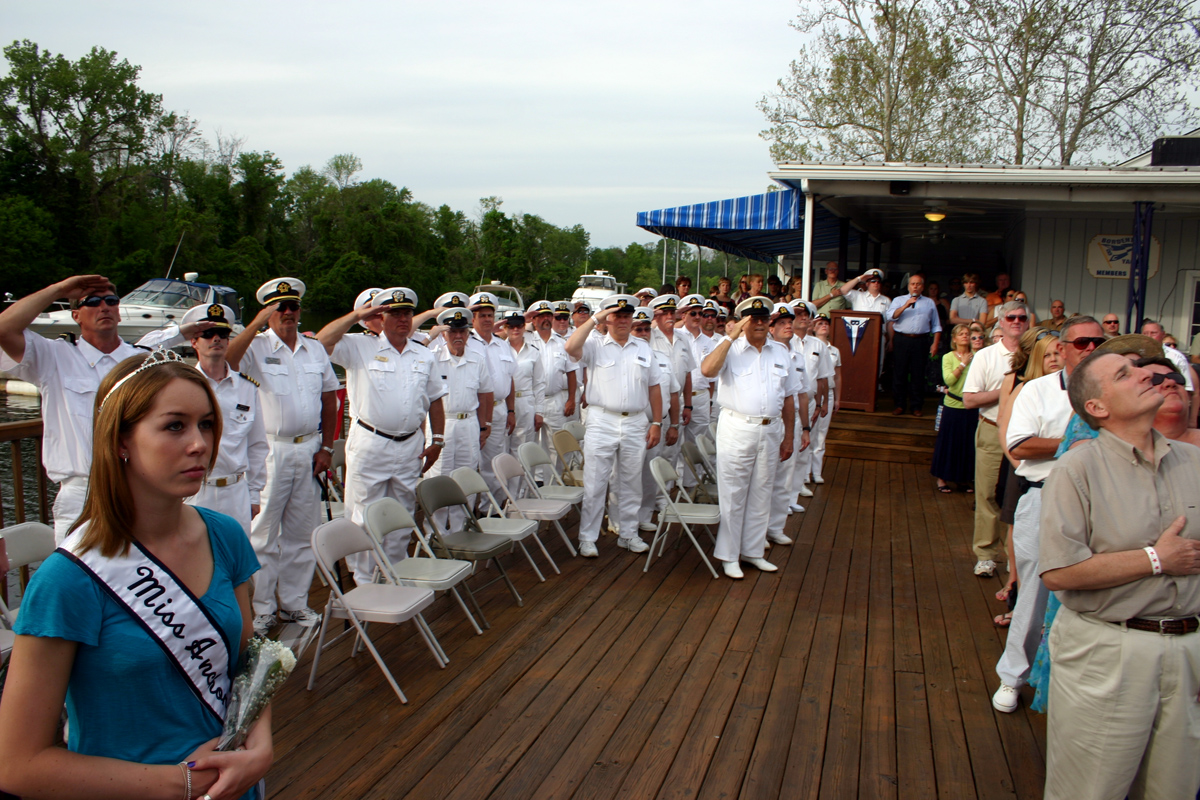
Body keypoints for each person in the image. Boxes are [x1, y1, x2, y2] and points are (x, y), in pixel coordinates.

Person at [0, 351, 272, 800]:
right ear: (121, 441)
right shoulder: (67, 580)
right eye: (175, 426)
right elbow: (17, 765)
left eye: (206, 424)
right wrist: (183, 783)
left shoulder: (225, 536)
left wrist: (259, 749)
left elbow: (249, 662)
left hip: (236, 786)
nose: (200, 444)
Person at [1038, 351, 1200, 800]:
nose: (1148, 374)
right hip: (1109, 652)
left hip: (1188, 650)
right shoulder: (1077, 469)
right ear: (1097, 407)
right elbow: (1058, 571)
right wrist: (1155, 559)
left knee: (1175, 790)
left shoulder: (1194, 462)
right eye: (1125, 374)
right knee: (1090, 790)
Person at [992, 316, 1099, 714]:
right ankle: (1012, 676)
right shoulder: (1037, 389)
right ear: (1064, 348)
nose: (1091, 348)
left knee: (1092, 589)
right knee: (1035, 589)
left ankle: (1072, 679)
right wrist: (1077, 444)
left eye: (1099, 341)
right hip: (1046, 494)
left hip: (1101, 500)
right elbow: (1020, 445)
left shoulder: (1114, 390)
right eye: (1082, 342)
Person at [225, 277, 338, 636]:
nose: (288, 313)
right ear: (268, 312)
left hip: (310, 448)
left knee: (302, 532)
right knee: (262, 534)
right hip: (270, 450)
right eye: (280, 308)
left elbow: (330, 398)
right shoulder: (256, 347)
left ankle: (294, 603)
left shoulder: (314, 349)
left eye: (293, 307)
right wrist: (256, 324)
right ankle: (262, 609)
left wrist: (327, 447)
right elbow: (226, 361)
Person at [315, 287, 447, 586]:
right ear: (380, 318)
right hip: (370, 443)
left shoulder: (423, 354)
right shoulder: (359, 346)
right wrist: (357, 315)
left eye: (407, 313)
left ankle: (395, 571)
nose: (403, 319)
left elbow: (435, 398)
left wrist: (438, 440)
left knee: (402, 513)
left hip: (410, 444)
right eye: (394, 313)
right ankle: (364, 580)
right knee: (364, 514)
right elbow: (320, 342)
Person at [0, 275, 148, 542]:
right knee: (76, 567)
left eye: (111, 300)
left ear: (119, 312)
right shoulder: (53, 357)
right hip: (81, 493)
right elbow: (4, 329)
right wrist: (58, 289)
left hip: (137, 488)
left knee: (142, 565)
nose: (104, 307)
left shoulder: (145, 361)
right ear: (76, 315)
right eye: (92, 301)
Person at [138, 303, 268, 535]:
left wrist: (254, 493)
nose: (216, 339)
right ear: (193, 341)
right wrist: (180, 332)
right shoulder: (181, 385)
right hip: (193, 491)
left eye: (222, 334)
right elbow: (141, 351)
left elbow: (257, 445)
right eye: (207, 334)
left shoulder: (247, 388)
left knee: (236, 555)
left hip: (236, 492)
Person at [701, 297, 799, 579]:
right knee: (734, 494)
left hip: (771, 429)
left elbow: (788, 398)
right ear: (743, 322)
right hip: (737, 427)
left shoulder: (780, 352)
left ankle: (753, 551)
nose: (759, 323)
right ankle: (729, 556)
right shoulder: (729, 348)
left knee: (762, 492)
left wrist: (789, 437)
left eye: (764, 319)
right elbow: (707, 370)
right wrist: (731, 337)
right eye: (753, 319)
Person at [565, 295, 663, 557]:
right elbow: (570, 347)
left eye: (626, 316)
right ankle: (588, 538)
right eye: (616, 315)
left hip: (635, 420)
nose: (622, 320)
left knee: (631, 482)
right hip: (602, 419)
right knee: (595, 482)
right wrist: (594, 319)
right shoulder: (594, 344)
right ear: (607, 319)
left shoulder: (643, 348)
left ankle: (628, 534)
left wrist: (656, 422)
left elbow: (654, 387)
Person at [963, 300, 1031, 577]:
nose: (1016, 322)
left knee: (1023, 496)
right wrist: (1007, 390)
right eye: (1011, 317)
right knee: (988, 494)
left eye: (1022, 318)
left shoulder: (1037, 354)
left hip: (1028, 435)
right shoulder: (986, 356)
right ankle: (986, 555)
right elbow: (969, 400)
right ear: (1001, 322)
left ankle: (1015, 555)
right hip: (992, 428)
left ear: (1028, 322)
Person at [423, 307, 494, 530]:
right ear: (444, 334)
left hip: (469, 423)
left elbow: (484, 394)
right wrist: (429, 336)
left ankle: (460, 528)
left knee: (465, 476)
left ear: (468, 333)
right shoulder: (432, 358)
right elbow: (411, 357)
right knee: (439, 477)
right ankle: (435, 531)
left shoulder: (477, 359)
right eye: (452, 332)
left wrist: (485, 426)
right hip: (442, 424)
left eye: (462, 331)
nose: (458, 336)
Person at [631, 307, 681, 534]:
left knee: (650, 474)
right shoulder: (624, 357)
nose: (643, 333)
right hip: (633, 423)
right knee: (627, 474)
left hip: (656, 424)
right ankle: (622, 519)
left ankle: (644, 515)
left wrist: (673, 425)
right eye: (638, 329)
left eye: (646, 329)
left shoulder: (662, 358)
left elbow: (673, 394)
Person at [766, 303, 812, 540]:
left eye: (789, 322)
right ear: (771, 328)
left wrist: (805, 428)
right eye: (781, 323)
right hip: (770, 419)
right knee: (764, 479)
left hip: (790, 421)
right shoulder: (764, 353)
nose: (788, 326)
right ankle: (758, 531)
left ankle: (775, 528)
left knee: (784, 477)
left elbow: (801, 395)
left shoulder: (797, 357)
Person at [467, 292, 517, 500]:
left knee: (495, 461)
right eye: (482, 315)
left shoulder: (502, 344)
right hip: (474, 410)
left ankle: (492, 508)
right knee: (470, 462)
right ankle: (467, 509)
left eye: (490, 315)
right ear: (472, 319)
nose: (487, 319)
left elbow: (510, 379)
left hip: (499, 408)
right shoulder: (466, 342)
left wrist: (511, 410)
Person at [789, 301, 833, 496]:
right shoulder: (783, 342)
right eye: (798, 314)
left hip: (809, 401)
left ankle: (799, 484)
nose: (803, 317)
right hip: (788, 402)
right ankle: (785, 487)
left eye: (806, 314)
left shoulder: (818, 345)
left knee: (806, 443)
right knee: (787, 441)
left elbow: (823, 377)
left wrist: (821, 403)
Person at [527, 300, 578, 459]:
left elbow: (571, 372)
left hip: (555, 400)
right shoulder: (526, 341)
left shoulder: (562, 343)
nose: (546, 319)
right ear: (533, 320)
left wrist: (571, 399)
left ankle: (558, 474)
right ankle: (533, 476)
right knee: (530, 445)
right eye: (541, 316)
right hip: (531, 401)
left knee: (557, 446)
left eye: (549, 315)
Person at [931, 324, 978, 493]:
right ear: (954, 338)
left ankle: (962, 478)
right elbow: (949, 380)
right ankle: (942, 478)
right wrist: (963, 364)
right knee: (948, 442)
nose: (965, 336)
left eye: (967, 333)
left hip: (970, 406)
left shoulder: (977, 357)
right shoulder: (948, 357)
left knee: (966, 443)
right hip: (952, 405)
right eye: (961, 334)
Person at [887, 273, 942, 416]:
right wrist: (906, 305)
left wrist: (935, 344)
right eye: (913, 284)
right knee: (900, 373)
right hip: (902, 339)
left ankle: (916, 406)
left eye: (918, 284)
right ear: (908, 286)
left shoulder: (929, 302)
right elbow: (890, 316)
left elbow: (936, 325)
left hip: (921, 340)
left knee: (918, 374)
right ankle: (899, 405)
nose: (915, 286)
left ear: (923, 287)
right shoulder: (899, 300)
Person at [503, 310, 546, 455]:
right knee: (502, 447)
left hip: (526, 402)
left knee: (524, 448)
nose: (515, 329)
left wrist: (539, 411)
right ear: (505, 328)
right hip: (503, 404)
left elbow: (539, 383)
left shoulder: (533, 351)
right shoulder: (499, 349)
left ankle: (523, 472)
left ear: (524, 327)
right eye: (511, 326)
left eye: (519, 326)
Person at [808, 314, 840, 484]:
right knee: (809, 432)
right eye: (820, 323)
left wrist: (837, 399)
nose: (824, 326)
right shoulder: (809, 345)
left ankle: (817, 471)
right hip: (813, 393)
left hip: (828, 393)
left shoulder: (834, 350)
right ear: (813, 327)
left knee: (821, 434)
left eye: (826, 323)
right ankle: (804, 473)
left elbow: (838, 377)